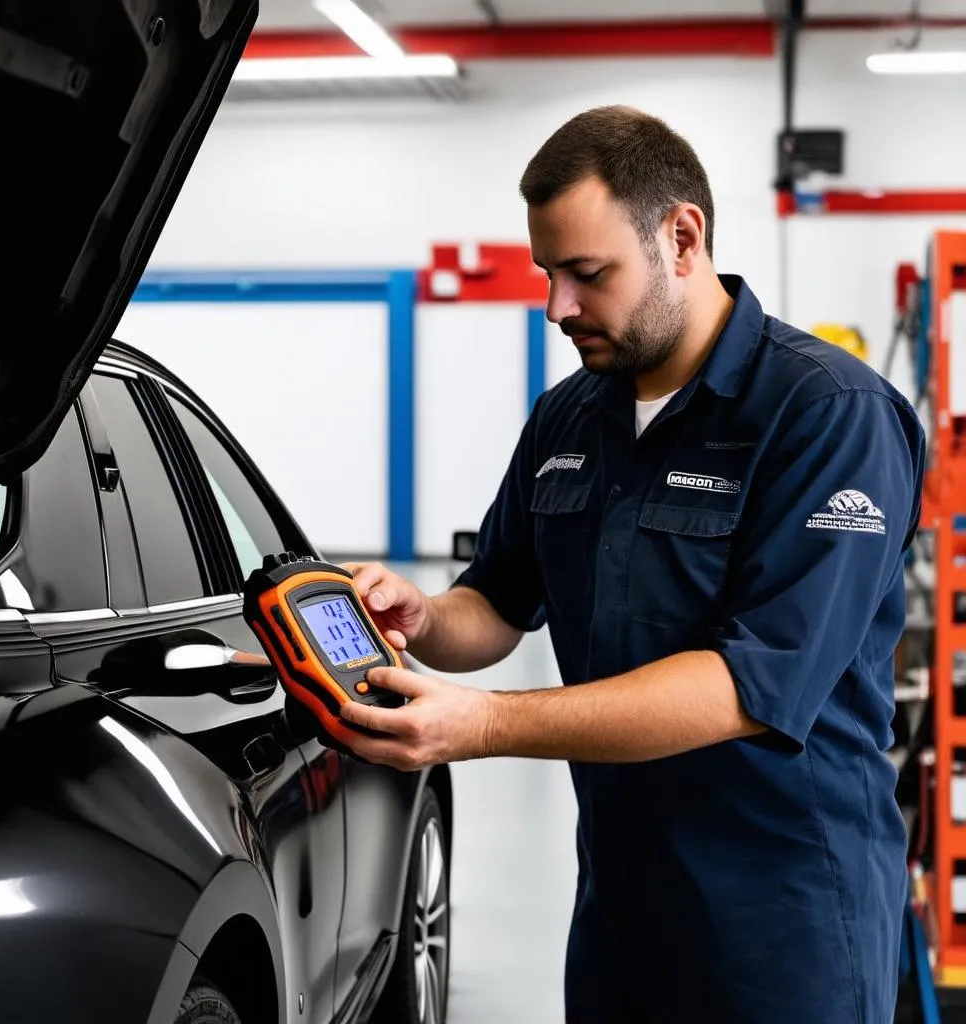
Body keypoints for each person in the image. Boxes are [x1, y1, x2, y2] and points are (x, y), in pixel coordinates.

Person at [339, 106, 926, 1023]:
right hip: (619, 911)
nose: (558, 308)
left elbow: (750, 685)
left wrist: (485, 727)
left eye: (587, 274)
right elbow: (496, 601)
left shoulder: (828, 415)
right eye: (548, 274)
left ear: (681, 237)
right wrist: (419, 615)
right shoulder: (569, 418)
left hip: (785, 923)